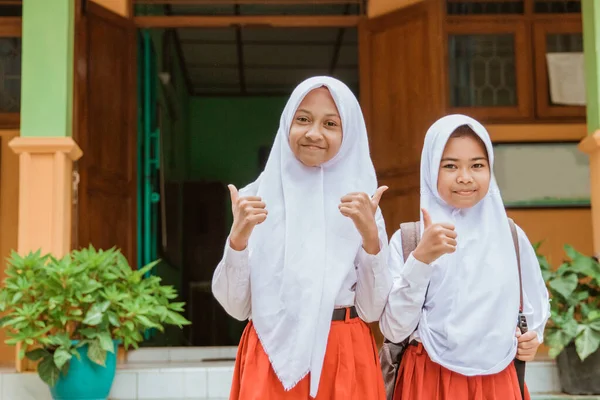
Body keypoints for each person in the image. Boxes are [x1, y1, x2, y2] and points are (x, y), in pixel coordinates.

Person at [212, 76, 391, 400]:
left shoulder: (362, 206)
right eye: (303, 119)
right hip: (270, 351)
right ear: (287, 123)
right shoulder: (255, 198)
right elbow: (236, 307)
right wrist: (237, 241)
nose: (313, 133)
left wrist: (370, 238)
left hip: (343, 355)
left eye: (330, 123)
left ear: (348, 133)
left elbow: (372, 309)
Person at [380, 114, 550, 400]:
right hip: (428, 380)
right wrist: (421, 260)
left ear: (490, 169)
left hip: (497, 381)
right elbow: (394, 327)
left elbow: (534, 306)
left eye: (477, 165)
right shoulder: (409, 240)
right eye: (450, 166)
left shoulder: (510, 236)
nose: (465, 177)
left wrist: (532, 339)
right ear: (430, 170)